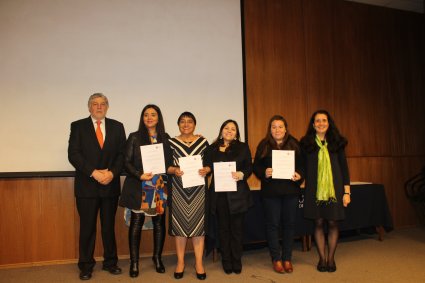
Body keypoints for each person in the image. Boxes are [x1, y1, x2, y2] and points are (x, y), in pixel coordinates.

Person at [68, 93, 126, 280]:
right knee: (87, 228)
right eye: (95, 104)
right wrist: (94, 172)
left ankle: (111, 262)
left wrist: (111, 173)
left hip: (110, 184)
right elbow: (74, 154)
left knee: (108, 227)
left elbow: (121, 155)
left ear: (107, 107)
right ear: (89, 107)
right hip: (87, 186)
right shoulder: (78, 126)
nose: (99, 107)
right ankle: (86, 265)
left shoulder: (117, 127)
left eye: (102, 104)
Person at [119, 104, 172, 277]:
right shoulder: (134, 137)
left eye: (153, 115)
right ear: (142, 118)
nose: (149, 118)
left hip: (158, 185)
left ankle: (157, 258)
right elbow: (125, 162)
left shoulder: (165, 137)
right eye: (146, 115)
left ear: (158, 118)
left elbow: (169, 161)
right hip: (138, 184)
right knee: (136, 222)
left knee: (159, 223)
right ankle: (134, 262)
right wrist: (139, 174)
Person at [300, 110, 351, 273]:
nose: (321, 123)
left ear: (329, 123)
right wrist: (298, 176)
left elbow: (344, 168)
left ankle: (331, 258)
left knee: (333, 222)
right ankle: (322, 258)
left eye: (324, 120)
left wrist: (347, 192)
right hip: (313, 191)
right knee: (318, 222)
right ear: (313, 124)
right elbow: (302, 167)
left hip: (334, 191)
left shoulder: (337, 142)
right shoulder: (306, 143)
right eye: (317, 121)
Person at [253, 115, 302, 274]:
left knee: (289, 225)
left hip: (290, 192)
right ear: (270, 129)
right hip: (271, 193)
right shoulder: (264, 144)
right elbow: (256, 167)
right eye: (274, 127)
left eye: (280, 126)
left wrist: (299, 175)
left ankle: (287, 258)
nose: (277, 130)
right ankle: (276, 259)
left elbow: (303, 166)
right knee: (272, 225)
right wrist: (264, 173)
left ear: (286, 128)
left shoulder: (294, 143)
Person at [205, 119, 253, 274]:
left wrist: (242, 174)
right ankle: (226, 260)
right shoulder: (212, 148)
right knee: (223, 230)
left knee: (237, 230)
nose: (229, 131)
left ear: (237, 133)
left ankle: (236, 260)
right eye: (226, 128)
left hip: (237, 195)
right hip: (219, 196)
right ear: (221, 130)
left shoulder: (242, 147)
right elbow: (207, 166)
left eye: (233, 129)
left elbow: (249, 167)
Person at [167, 112, 210, 280]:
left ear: (194, 124)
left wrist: (207, 169)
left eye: (189, 121)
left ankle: (199, 262)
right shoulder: (170, 143)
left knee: (199, 227)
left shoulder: (203, 142)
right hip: (178, 190)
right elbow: (166, 166)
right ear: (178, 124)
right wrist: (174, 170)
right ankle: (180, 262)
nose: (186, 124)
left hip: (199, 191)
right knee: (180, 227)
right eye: (182, 122)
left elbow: (209, 164)